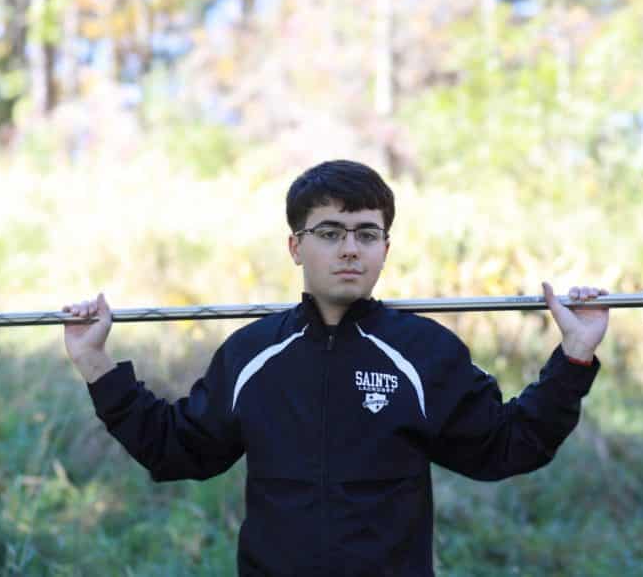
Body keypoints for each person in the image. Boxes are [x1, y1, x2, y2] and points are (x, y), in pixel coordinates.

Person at [62, 159, 608, 576]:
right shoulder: (252, 355)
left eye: (366, 234)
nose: (350, 249)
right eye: (330, 232)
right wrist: (96, 363)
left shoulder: (423, 352)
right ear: (296, 246)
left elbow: (505, 446)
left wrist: (573, 358)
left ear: (385, 248)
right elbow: (176, 448)